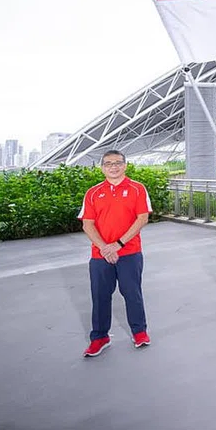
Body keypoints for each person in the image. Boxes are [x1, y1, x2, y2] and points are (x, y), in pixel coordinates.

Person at [78, 150, 153, 357]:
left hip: (130, 252)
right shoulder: (93, 193)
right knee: (100, 296)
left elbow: (142, 218)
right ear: (102, 167)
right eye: (108, 163)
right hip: (100, 255)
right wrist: (104, 247)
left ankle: (139, 332)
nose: (113, 166)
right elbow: (87, 224)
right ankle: (100, 337)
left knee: (132, 293)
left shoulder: (137, 189)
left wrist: (118, 244)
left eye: (118, 163)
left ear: (125, 165)